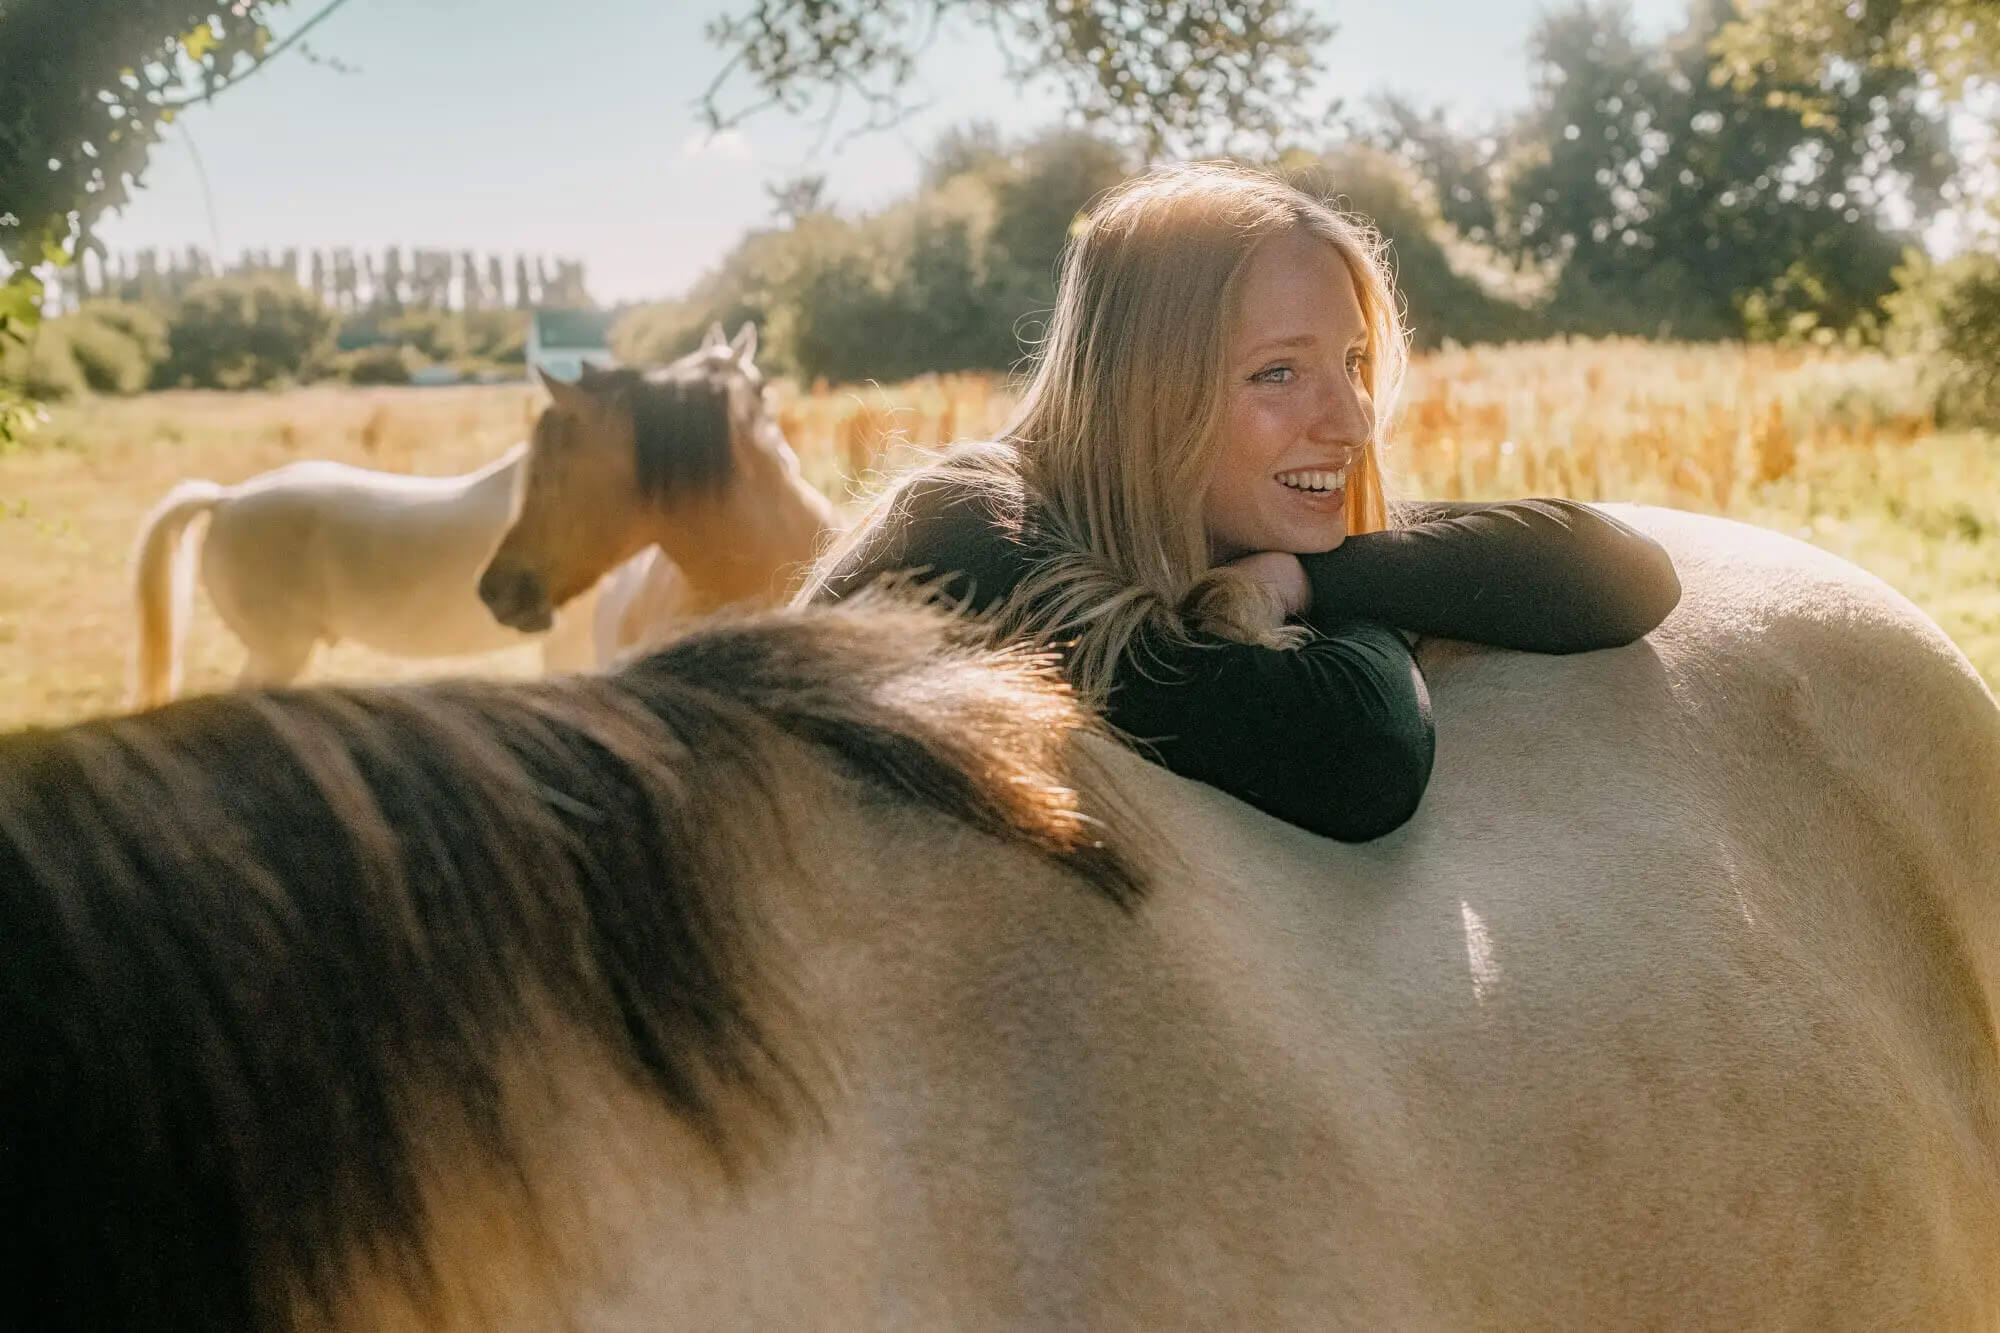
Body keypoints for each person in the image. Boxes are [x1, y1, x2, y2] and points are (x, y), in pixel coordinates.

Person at [798, 161, 1680, 843]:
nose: (1351, 420)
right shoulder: (968, 539)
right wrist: (1341, 594)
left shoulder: (1225, 515)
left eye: (1355, 362)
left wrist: (1305, 581)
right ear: (1145, 394)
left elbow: (1623, 574)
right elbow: (1355, 756)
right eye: (1278, 372)